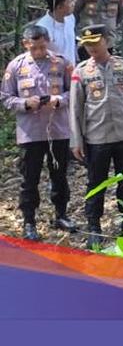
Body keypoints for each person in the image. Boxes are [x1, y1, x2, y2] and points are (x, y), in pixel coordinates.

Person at [70, 25, 123, 249]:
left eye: (95, 43)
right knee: (96, 183)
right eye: (87, 45)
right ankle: (94, 226)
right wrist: (76, 140)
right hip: (96, 138)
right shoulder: (81, 72)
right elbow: (75, 109)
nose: (91, 48)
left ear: (107, 41)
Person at [1, 24, 76, 241]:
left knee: (60, 175)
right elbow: (5, 97)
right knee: (29, 179)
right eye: (34, 48)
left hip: (58, 131)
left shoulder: (61, 63)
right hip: (30, 133)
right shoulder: (16, 66)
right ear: (26, 44)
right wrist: (25, 103)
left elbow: (74, 92)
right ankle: (29, 222)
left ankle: (61, 214)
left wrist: (59, 100)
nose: (39, 52)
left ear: (48, 41)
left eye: (42, 47)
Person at [36, 0, 77, 67]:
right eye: (70, 2)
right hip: (53, 73)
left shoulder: (70, 18)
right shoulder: (42, 28)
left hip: (72, 70)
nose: (73, 4)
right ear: (59, 7)